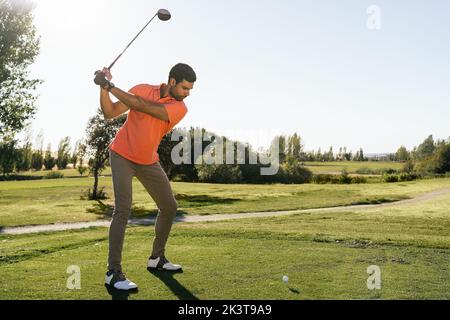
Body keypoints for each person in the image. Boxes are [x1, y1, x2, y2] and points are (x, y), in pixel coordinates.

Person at [94, 63, 196, 291]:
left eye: (190, 90)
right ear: (172, 82)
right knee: (123, 209)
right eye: (184, 88)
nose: (187, 94)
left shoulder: (180, 108)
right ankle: (113, 272)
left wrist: (110, 85)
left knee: (169, 206)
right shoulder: (141, 88)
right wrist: (102, 86)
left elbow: (141, 106)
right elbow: (109, 113)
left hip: (148, 160)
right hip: (122, 154)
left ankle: (156, 258)